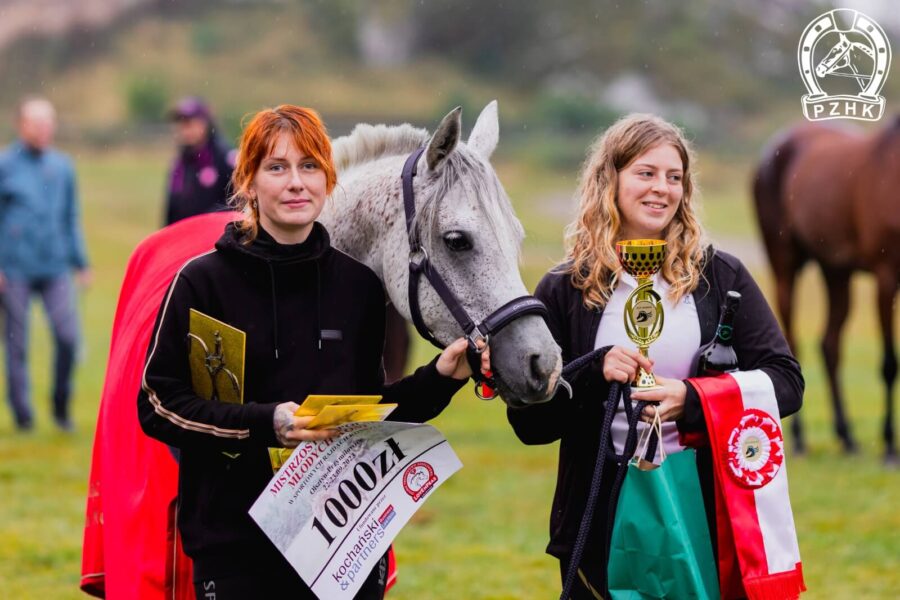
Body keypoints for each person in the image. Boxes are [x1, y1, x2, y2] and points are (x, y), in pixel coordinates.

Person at [138, 105, 487, 599]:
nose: (296, 182)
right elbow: (159, 404)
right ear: (249, 182)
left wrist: (442, 377)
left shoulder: (361, 289)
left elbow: (370, 415)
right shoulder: (202, 282)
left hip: (342, 549)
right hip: (235, 550)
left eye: (309, 166)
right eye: (276, 167)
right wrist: (265, 423)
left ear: (328, 179)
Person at [506, 114, 803, 599]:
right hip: (597, 514)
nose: (661, 189)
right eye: (646, 173)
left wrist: (692, 398)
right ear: (611, 179)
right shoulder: (565, 288)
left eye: (674, 177)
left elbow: (787, 382)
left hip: (702, 506)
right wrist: (593, 374)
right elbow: (530, 426)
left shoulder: (720, 277)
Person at [0, 96, 90, 432]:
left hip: (55, 267)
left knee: (68, 337)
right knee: (16, 344)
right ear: (21, 125)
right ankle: (23, 417)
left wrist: (80, 262)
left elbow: (70, 216)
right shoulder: (5, 165)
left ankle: (61, 407)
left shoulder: (63, 167)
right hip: (15, 269)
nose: (43, 130)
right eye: (36, 123)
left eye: (48, 123)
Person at [164, 96, 236, 225]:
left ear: (205, 123)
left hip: (216, 236)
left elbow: (236, 202)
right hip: (183, 235)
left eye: (190, 124)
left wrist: (207, 221)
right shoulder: (180, 163)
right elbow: (172, 206)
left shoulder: (225, 157)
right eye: (182, 125)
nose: (185, 130)